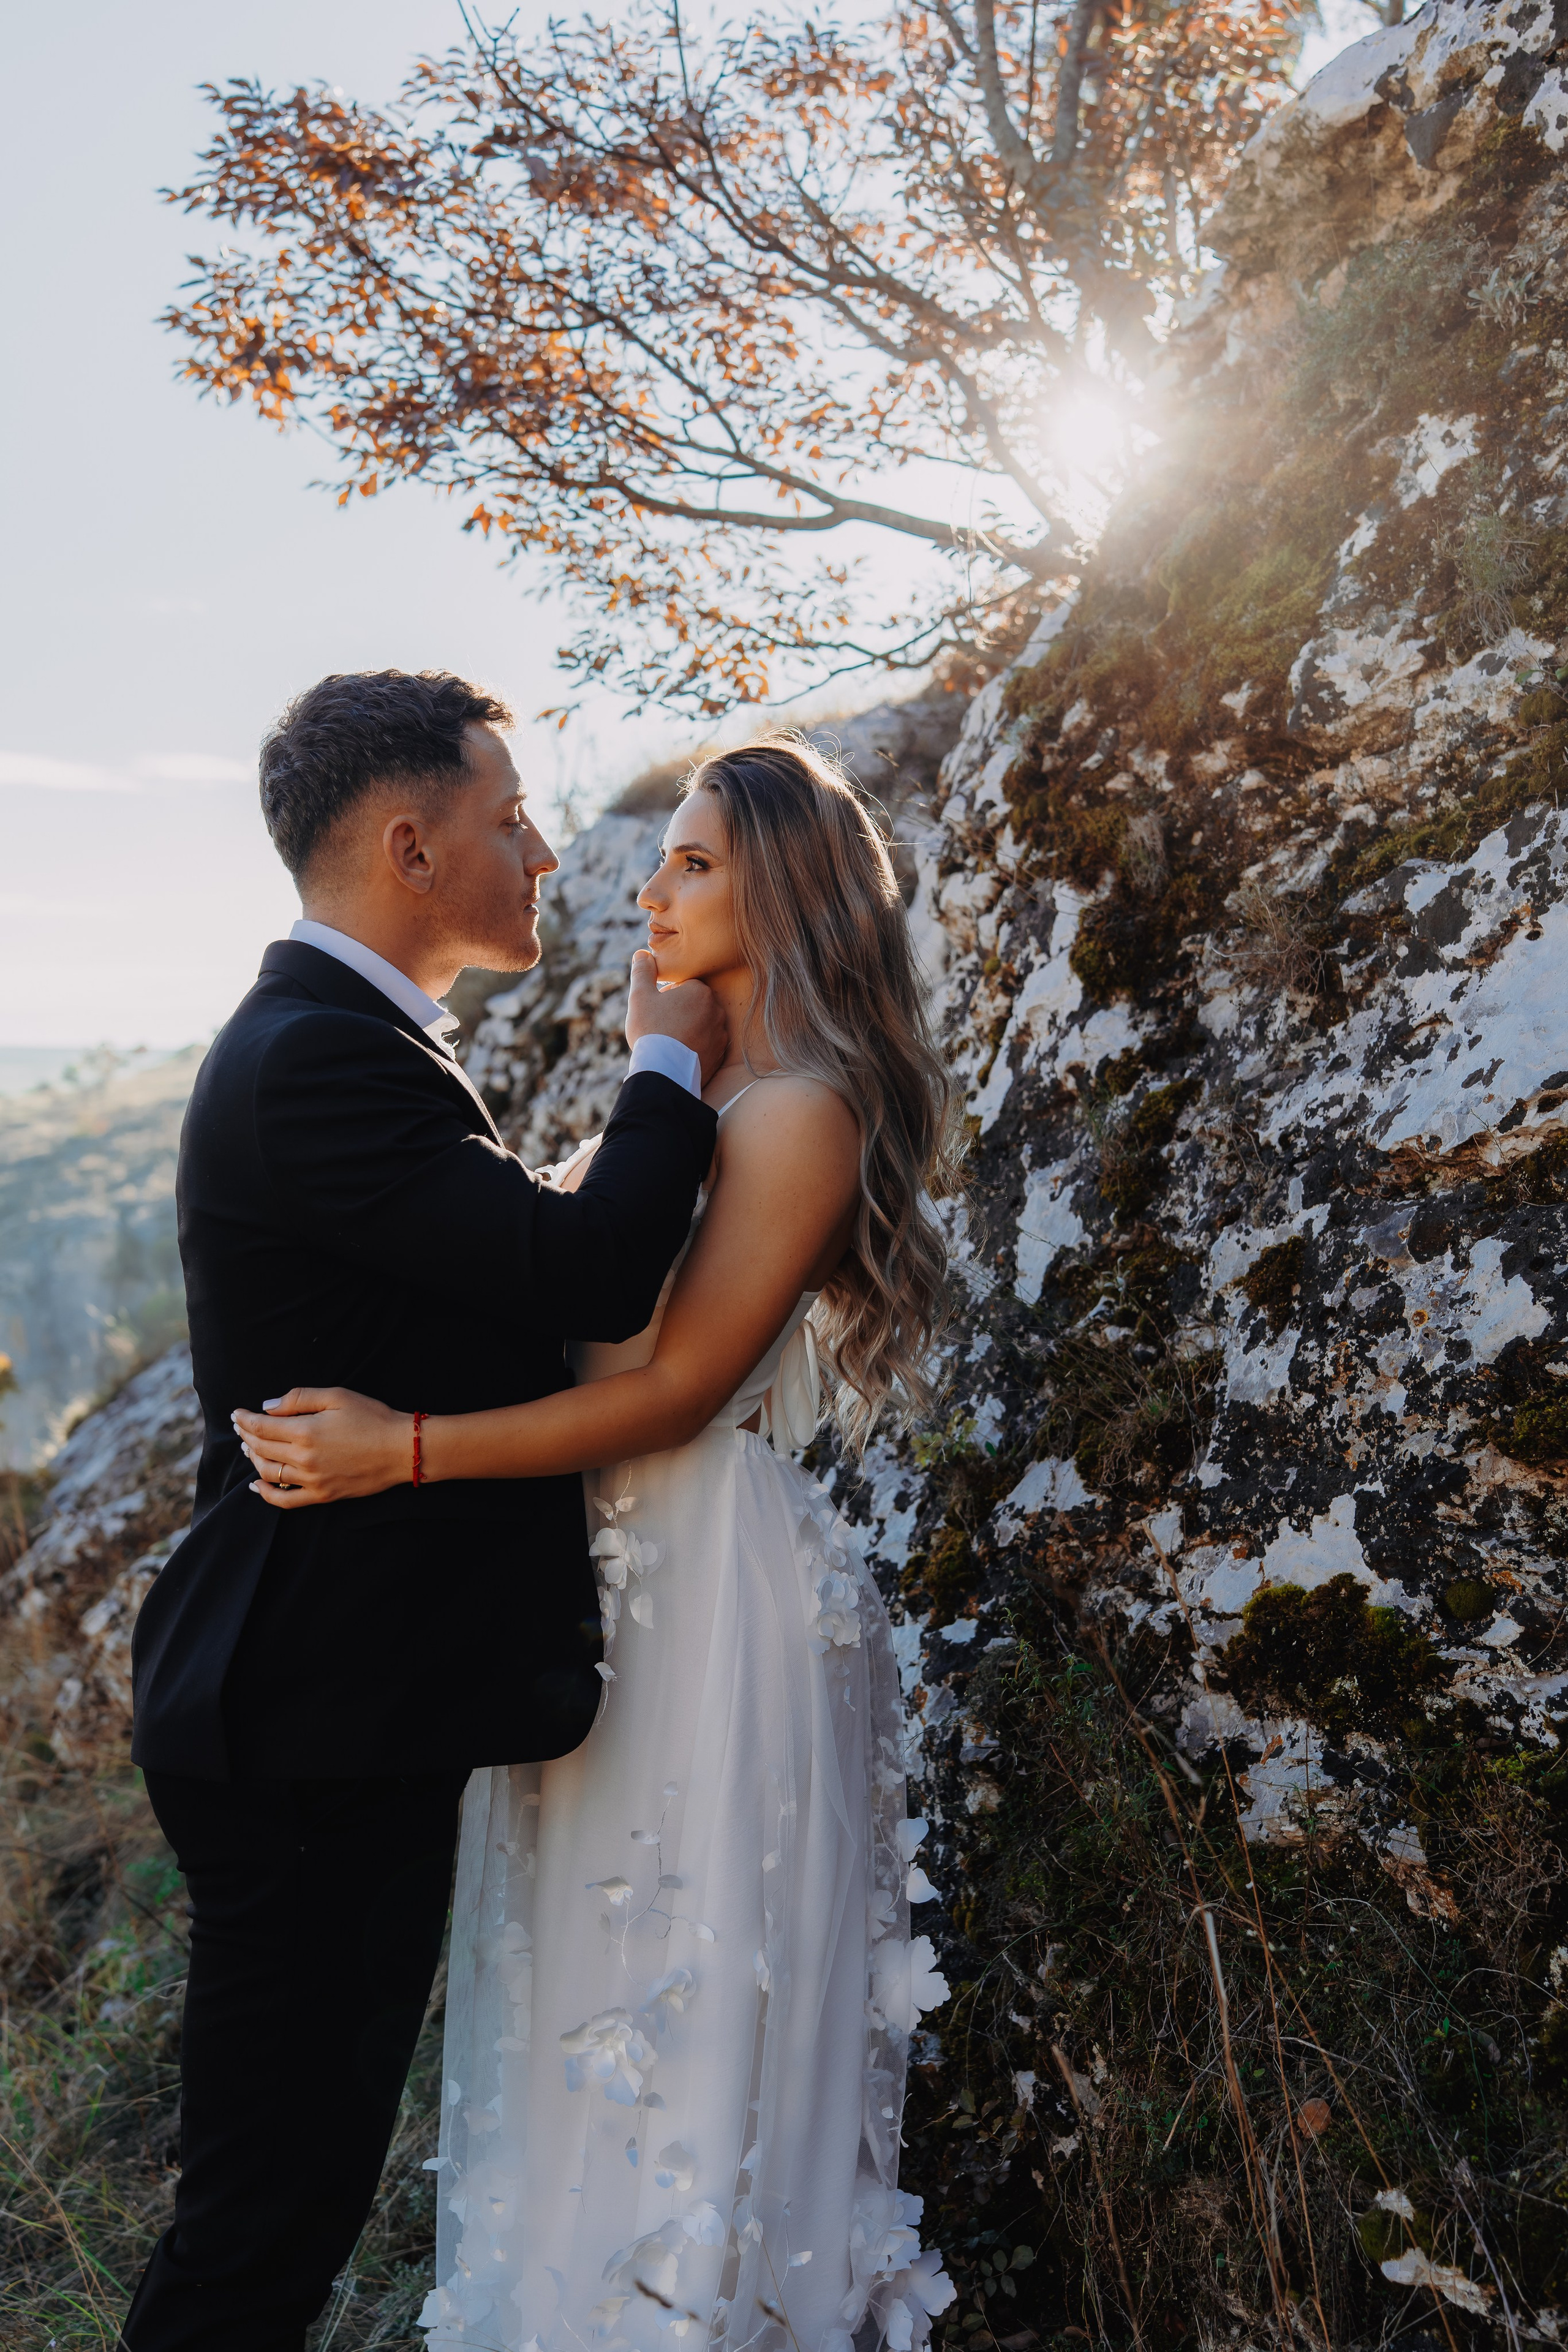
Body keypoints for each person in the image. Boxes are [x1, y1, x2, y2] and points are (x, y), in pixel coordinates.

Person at [232, 739, 962, 2352]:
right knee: (575, 2029)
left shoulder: (803, 1113)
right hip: (599, 1613)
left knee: (689, 2042)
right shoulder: (703, 1094)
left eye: (694, 863)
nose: (652, 887)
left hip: (712, 1602)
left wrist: (400, 1452)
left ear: (782, 884)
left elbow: (675, 1393)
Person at [123, 669, 727, 2352]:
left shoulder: (345, 1048)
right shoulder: (317, 1059)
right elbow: (591, 1265)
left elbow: (483, 1276)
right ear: (409, 844)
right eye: (507, 818)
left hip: (331, 1706)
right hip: (303, 1712)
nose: (542, 850)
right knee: (263, 2221)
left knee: (289, 2204)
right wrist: (667, 1066)